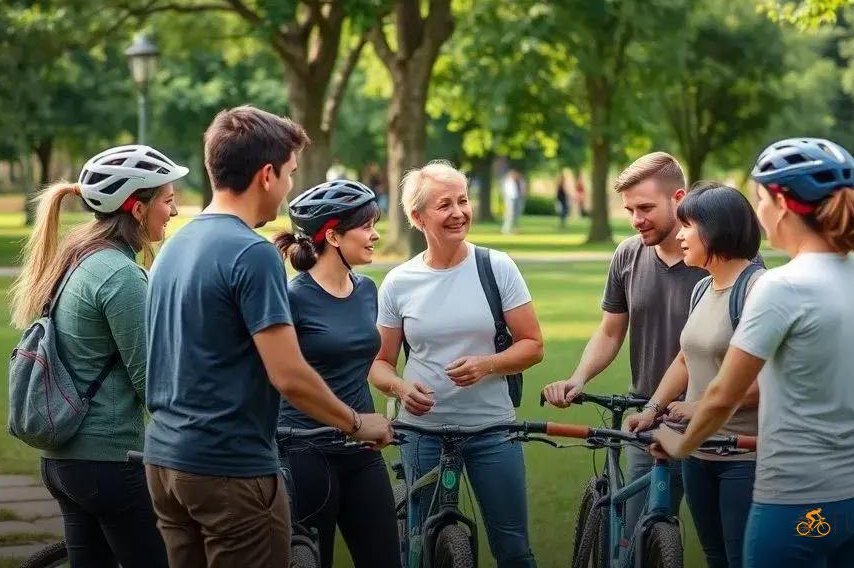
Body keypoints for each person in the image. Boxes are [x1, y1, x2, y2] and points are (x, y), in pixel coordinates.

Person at [144, 106, 393, 568]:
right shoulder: (252, 252)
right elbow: (289, 375)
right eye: (290, 172)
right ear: (266, 174)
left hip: (165, 463)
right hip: (230, 469)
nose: (290, 185)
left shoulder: (172, 244)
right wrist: (359, 424)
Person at [650, 138, 854, 568]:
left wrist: (675, 441)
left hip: (796, 496)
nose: (758, 212)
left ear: (779, 202)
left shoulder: (782, 287)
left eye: (760, 198)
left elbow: (724, 393)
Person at [10, 144, 186, 567]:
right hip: (110, 463)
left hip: (65, 463)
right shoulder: (121, 275)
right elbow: (154, 384)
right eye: (167, 199)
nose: (175, 210)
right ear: (136, 207)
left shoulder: (79, 259)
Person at [369, 161, 544, 567]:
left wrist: (488, 363)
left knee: (514, 549)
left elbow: (533, 345)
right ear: (417, 217)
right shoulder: (398, 282)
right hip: (421, 435)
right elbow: (379, 363)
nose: (458, 212)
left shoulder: (496, 266)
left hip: (493, 431)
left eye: (462, 201)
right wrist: (399, 388)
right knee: (422, 548)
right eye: (444, 204)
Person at [542, 152, 701, 533]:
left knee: (726, 546)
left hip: (709, 419)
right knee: (637, 533)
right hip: (645, 416)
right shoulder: (628, 254)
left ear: (678, 198)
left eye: (645, 207)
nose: (636, 220)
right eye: (630, 209)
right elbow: (611, 331)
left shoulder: (717, 255)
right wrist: (579, 378)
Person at [624, 182, 763, 568]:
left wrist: (696, 408)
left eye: (689, 226)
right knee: (715, 557)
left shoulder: (757, 291)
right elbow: (685, 360)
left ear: (716, 229)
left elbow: (762, 384)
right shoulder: (702, 287)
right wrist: (653, 410)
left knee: (741, 559)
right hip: (698, 451)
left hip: (743, 455)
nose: (680, 235)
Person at [271, 179, 401, 568]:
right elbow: (282, 377)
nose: (375, 235)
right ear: (333, 236)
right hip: (305, 450)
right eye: (366, 226)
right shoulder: (291, 298)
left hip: (362, 450)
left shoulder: (367, 290)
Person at [501, 168, 523, 234]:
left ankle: (513, 229)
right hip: (510, 199)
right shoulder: (508, 181)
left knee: (515, 214)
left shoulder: (516, 181)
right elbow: (508, 192)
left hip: (515, 198)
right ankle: (506, 229)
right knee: (509, 214)